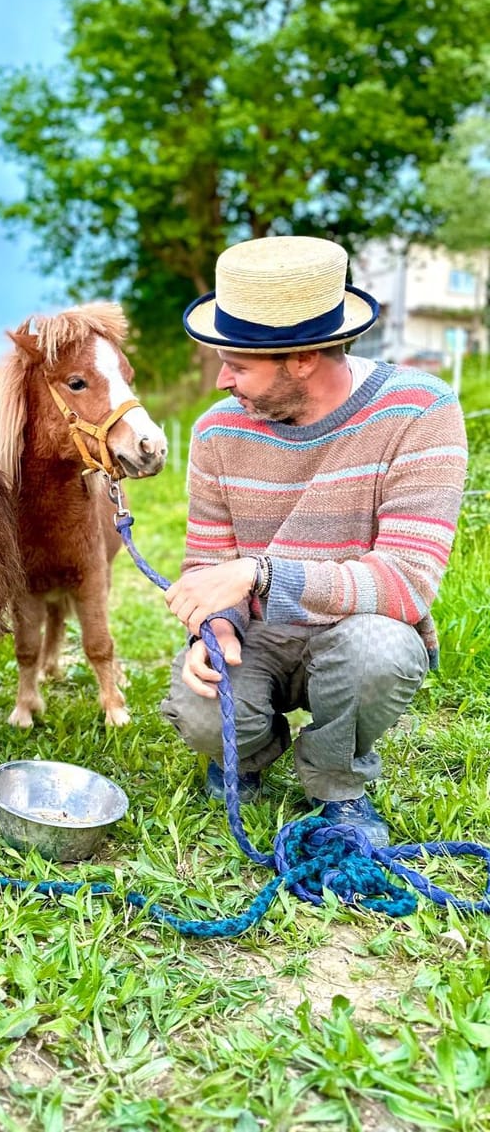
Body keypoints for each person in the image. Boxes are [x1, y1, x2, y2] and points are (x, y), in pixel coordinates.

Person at [160, 236, 467, 844]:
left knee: (378, 652)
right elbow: (208, 565)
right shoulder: (216, 432)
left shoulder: (420, 410)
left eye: (239, 365)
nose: (223, 380)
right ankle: (244, 756)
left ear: (301, 357)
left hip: (357, 627)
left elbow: (408, 581)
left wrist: (261, 574)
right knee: (199, 706)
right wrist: (213, 631)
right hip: (261, 636)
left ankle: (336, 782)